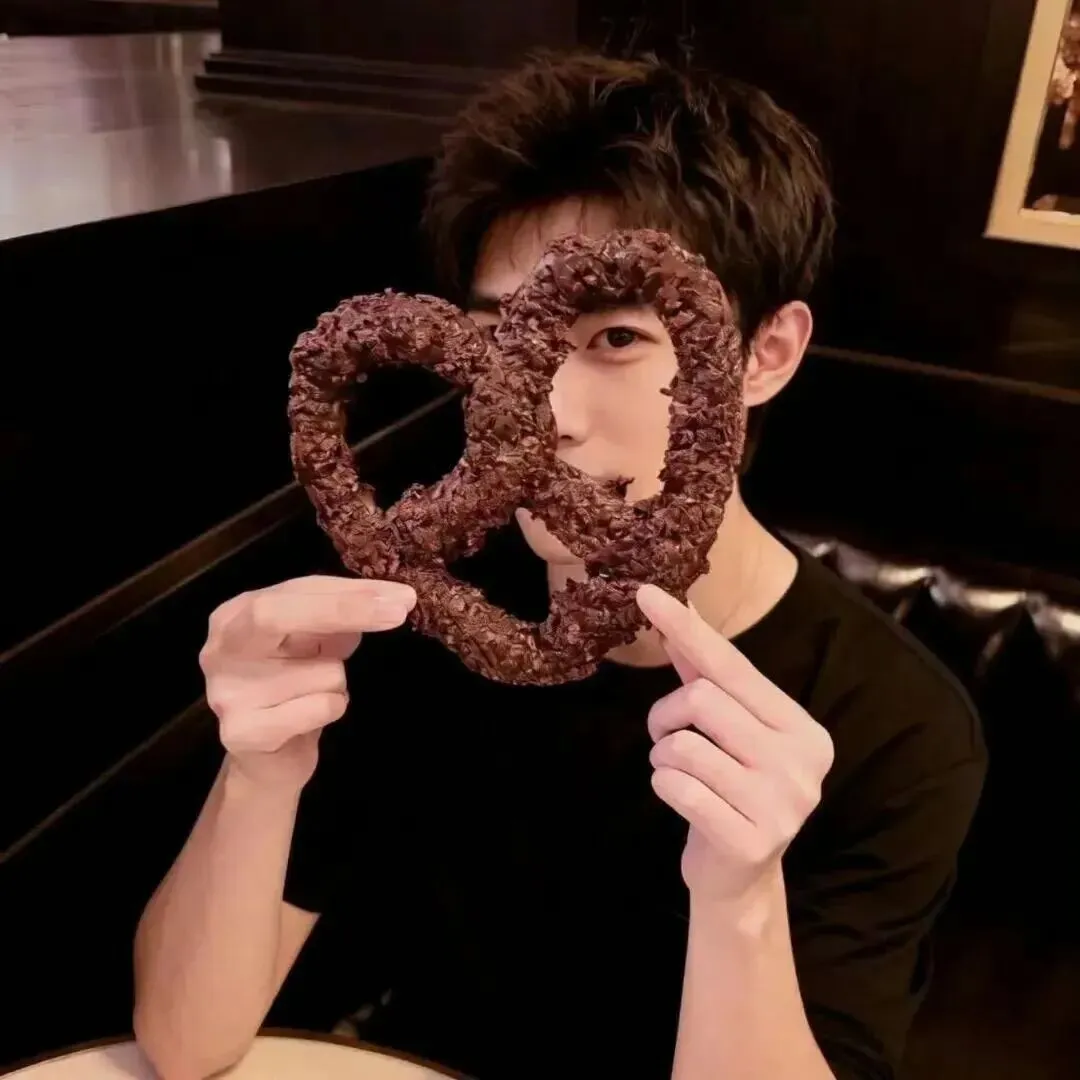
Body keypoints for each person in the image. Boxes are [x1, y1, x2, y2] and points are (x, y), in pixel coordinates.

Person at [132, 49, 986, 1080]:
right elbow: (183, 1044)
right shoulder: (413, 617)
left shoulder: (897, 730)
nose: (544, 420)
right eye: (503, 345)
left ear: (764, 355)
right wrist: (258, 775)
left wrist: (740, 901)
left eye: (617, 337)